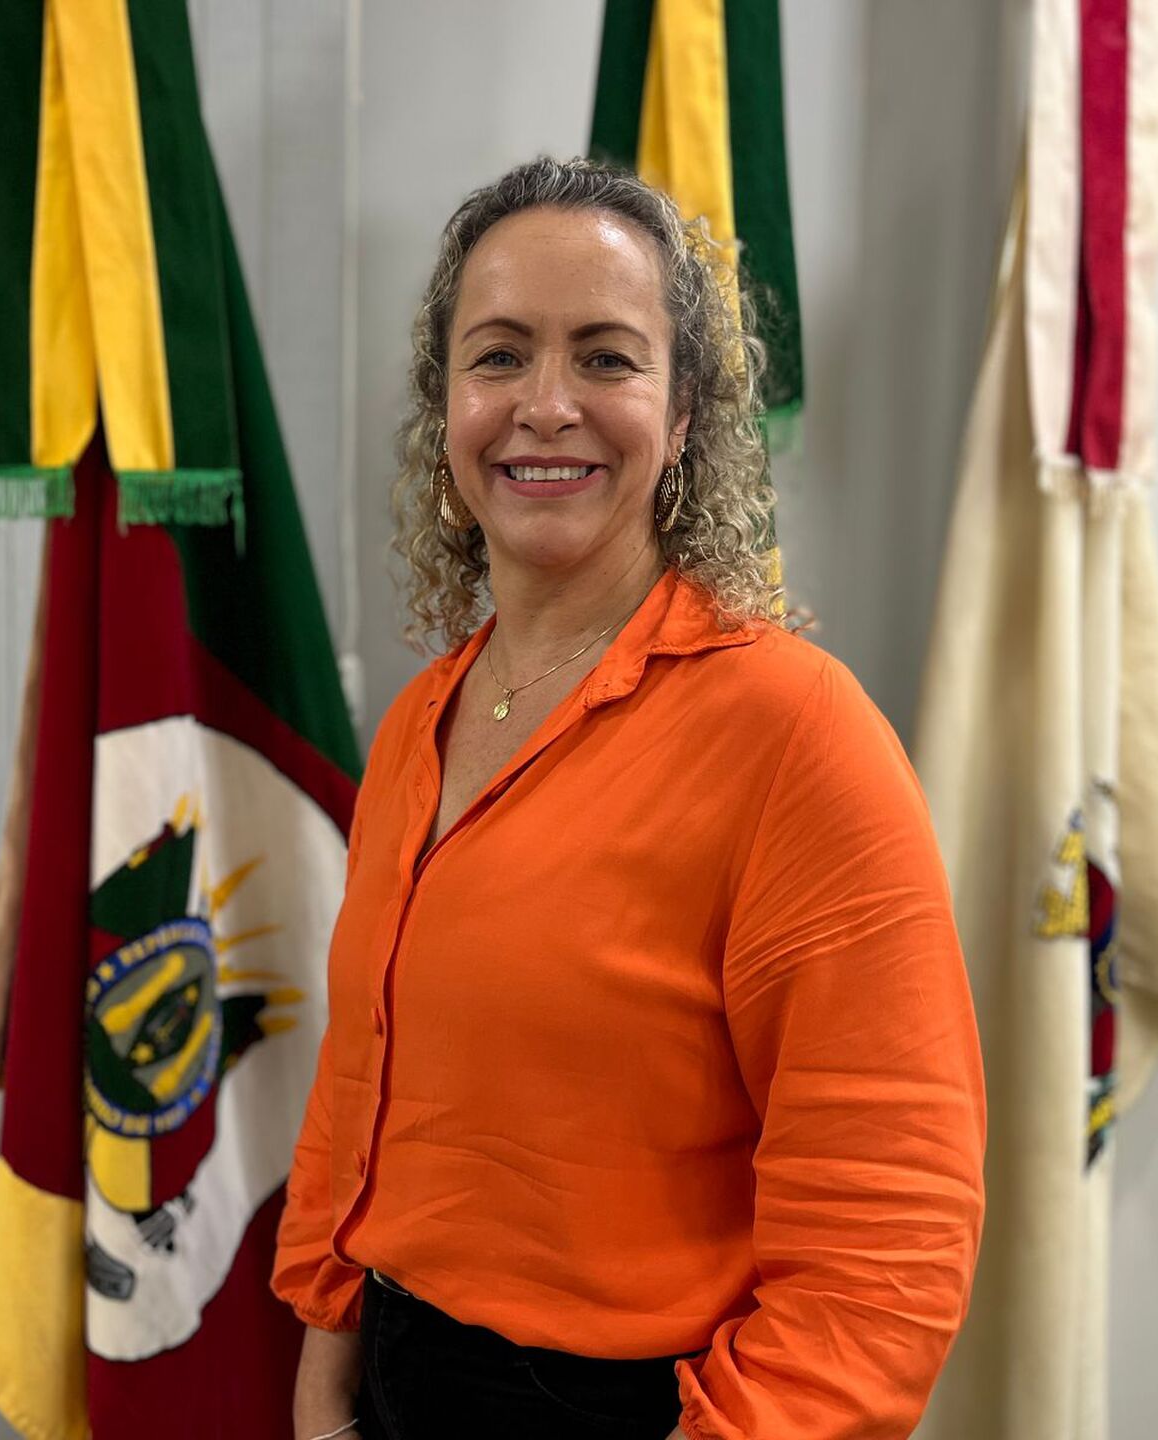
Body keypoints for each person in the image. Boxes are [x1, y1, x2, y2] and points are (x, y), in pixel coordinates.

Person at [270, 156, 985, 1440]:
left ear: (685, 413)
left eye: (606, 358)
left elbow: (886, 1246)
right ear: (445, 407)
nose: (546, 406)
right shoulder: (422, 722)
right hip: (389, 1379)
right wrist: (328, 1349)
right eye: (499, 356)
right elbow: (360, 1076)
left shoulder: (796, 735)